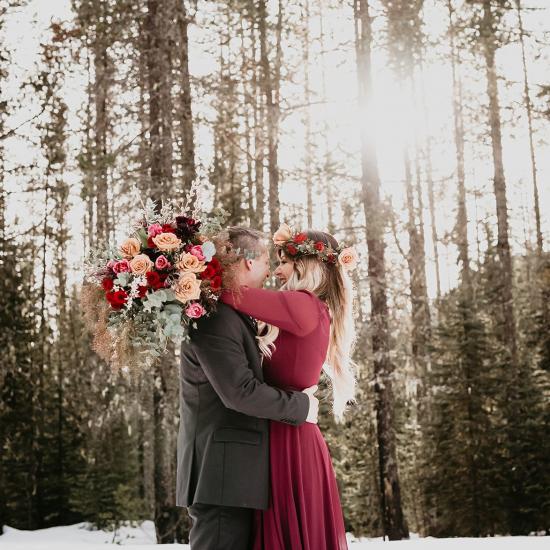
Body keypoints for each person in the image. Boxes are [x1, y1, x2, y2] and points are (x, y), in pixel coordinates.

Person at [175, 227, 319, 550]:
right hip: (222, 474)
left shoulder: (230, 313)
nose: (270, 270)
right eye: (267, 260)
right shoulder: (213, 317)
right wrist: (301, 406)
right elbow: (239, 391)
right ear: (247, 263)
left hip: (233, 477)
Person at [220, 224, 357, 550]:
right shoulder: (309, 308)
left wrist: (182, 276)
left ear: (305, 266)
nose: (276, 272)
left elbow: (230, 293)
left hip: (291, 439)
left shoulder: (303, 305)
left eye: (283, 262)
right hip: (288, 432)